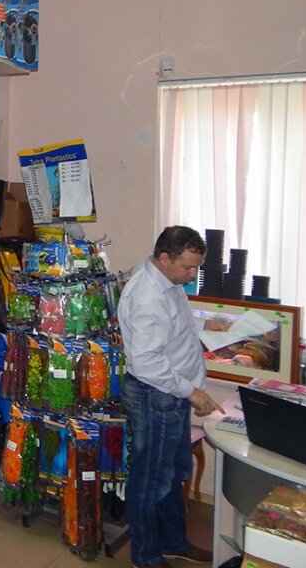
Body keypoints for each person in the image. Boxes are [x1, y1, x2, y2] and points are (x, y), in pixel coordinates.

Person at [118, 226, 224, 568]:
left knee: (174, 472)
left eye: (196, 267)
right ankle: (146, 556)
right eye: (188, 267)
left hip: (171, 395)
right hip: (156, 396)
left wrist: (206, 328)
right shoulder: (148, 297)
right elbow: (147, 363)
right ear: (165, 258)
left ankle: (174, 542)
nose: (192, 275)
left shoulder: (169, 281)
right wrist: (194, 393)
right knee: (151, 479)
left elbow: (173, 330)